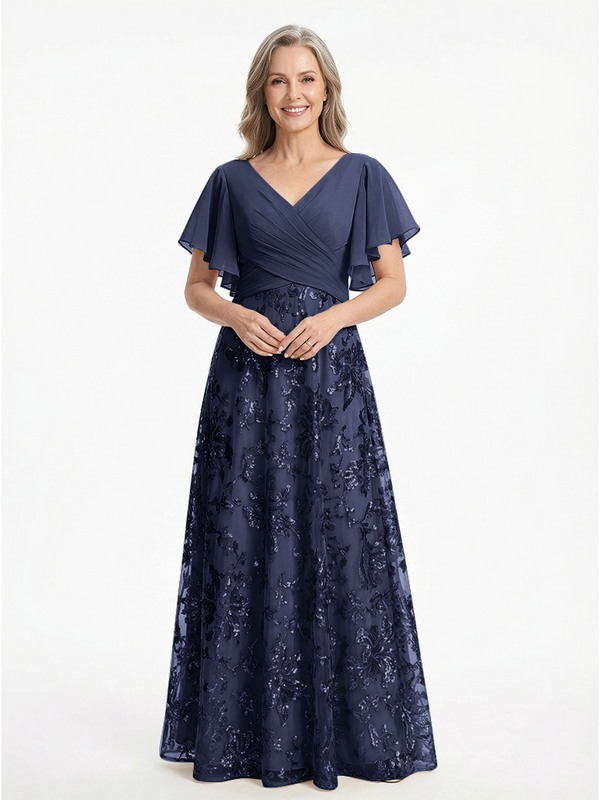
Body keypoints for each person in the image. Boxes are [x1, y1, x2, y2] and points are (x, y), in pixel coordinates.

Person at [159, 23, 438, 792]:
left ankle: (345, 735)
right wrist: (234, 316)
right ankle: (245, 735)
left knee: (342, 534)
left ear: (327, 89)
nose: (293, 93)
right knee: (243, 536)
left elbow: (392, 284)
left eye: (306, 79)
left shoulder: (363, 175)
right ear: (262, 91)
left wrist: (335, 317)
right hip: (246, 384)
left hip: (330, 377)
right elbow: (196, 288)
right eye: (279, 79)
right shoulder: (229, 180)